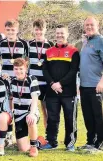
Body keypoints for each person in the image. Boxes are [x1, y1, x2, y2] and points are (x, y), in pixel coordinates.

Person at [41, 25, 79, 152]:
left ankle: (70, 143)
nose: (59, 35)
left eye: (62, 33)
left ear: (67, 34)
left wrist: (60, 83)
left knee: (70, 118)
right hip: (52, 92)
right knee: (52, 118)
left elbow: (73, 71)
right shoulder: (49, 51)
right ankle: (51, 142)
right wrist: (52, 84)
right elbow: (44, 70)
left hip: (68, 93)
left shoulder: (74, 51)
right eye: (57, 33)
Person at [79, 16, 103, 153]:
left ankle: (99, 142)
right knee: (88, 115)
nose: (89, 27)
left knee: (98, 115)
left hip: (96, 86)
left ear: (97, 25)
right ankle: (90, 141)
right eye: (87, 25)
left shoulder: (100, 41)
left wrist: (101, 82)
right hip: (84, 86)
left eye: (91, 25)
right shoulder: (85, 42)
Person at [10, 58, 40, 157]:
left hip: (30, 111)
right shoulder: (12, 81)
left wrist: (32, 113)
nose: (19, 71)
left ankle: (34, 147)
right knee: (22, 149)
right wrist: (11, 111)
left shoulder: (32, 79)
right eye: (16, 69)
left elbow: (35, 98)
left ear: (26, 69)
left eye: (21, 69)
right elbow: (10, 98)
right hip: (18, 114)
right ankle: (39, 141)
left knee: (30, 119)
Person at [28, 19, 54, 129]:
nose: (38, 32)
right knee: (29, 111)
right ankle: (29, 138)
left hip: (45, 83)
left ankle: (48, 137)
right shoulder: (28, 44)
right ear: (33, 30)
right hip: (32, 83)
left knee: (46, 112)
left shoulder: (51, 45)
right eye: (36, 30)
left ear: (45, 30)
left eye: (41, 30)